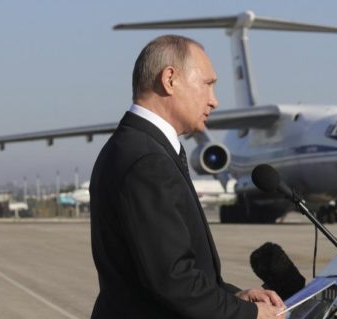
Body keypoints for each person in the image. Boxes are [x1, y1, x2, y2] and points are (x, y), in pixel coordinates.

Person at [90, 35, 283, 318]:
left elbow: (164, 273)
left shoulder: (138, 146)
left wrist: (234, 298)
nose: (214, 101)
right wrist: (250, 315)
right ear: (169, 79)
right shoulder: (147, 160)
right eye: (207, 84)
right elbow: (173, 280)